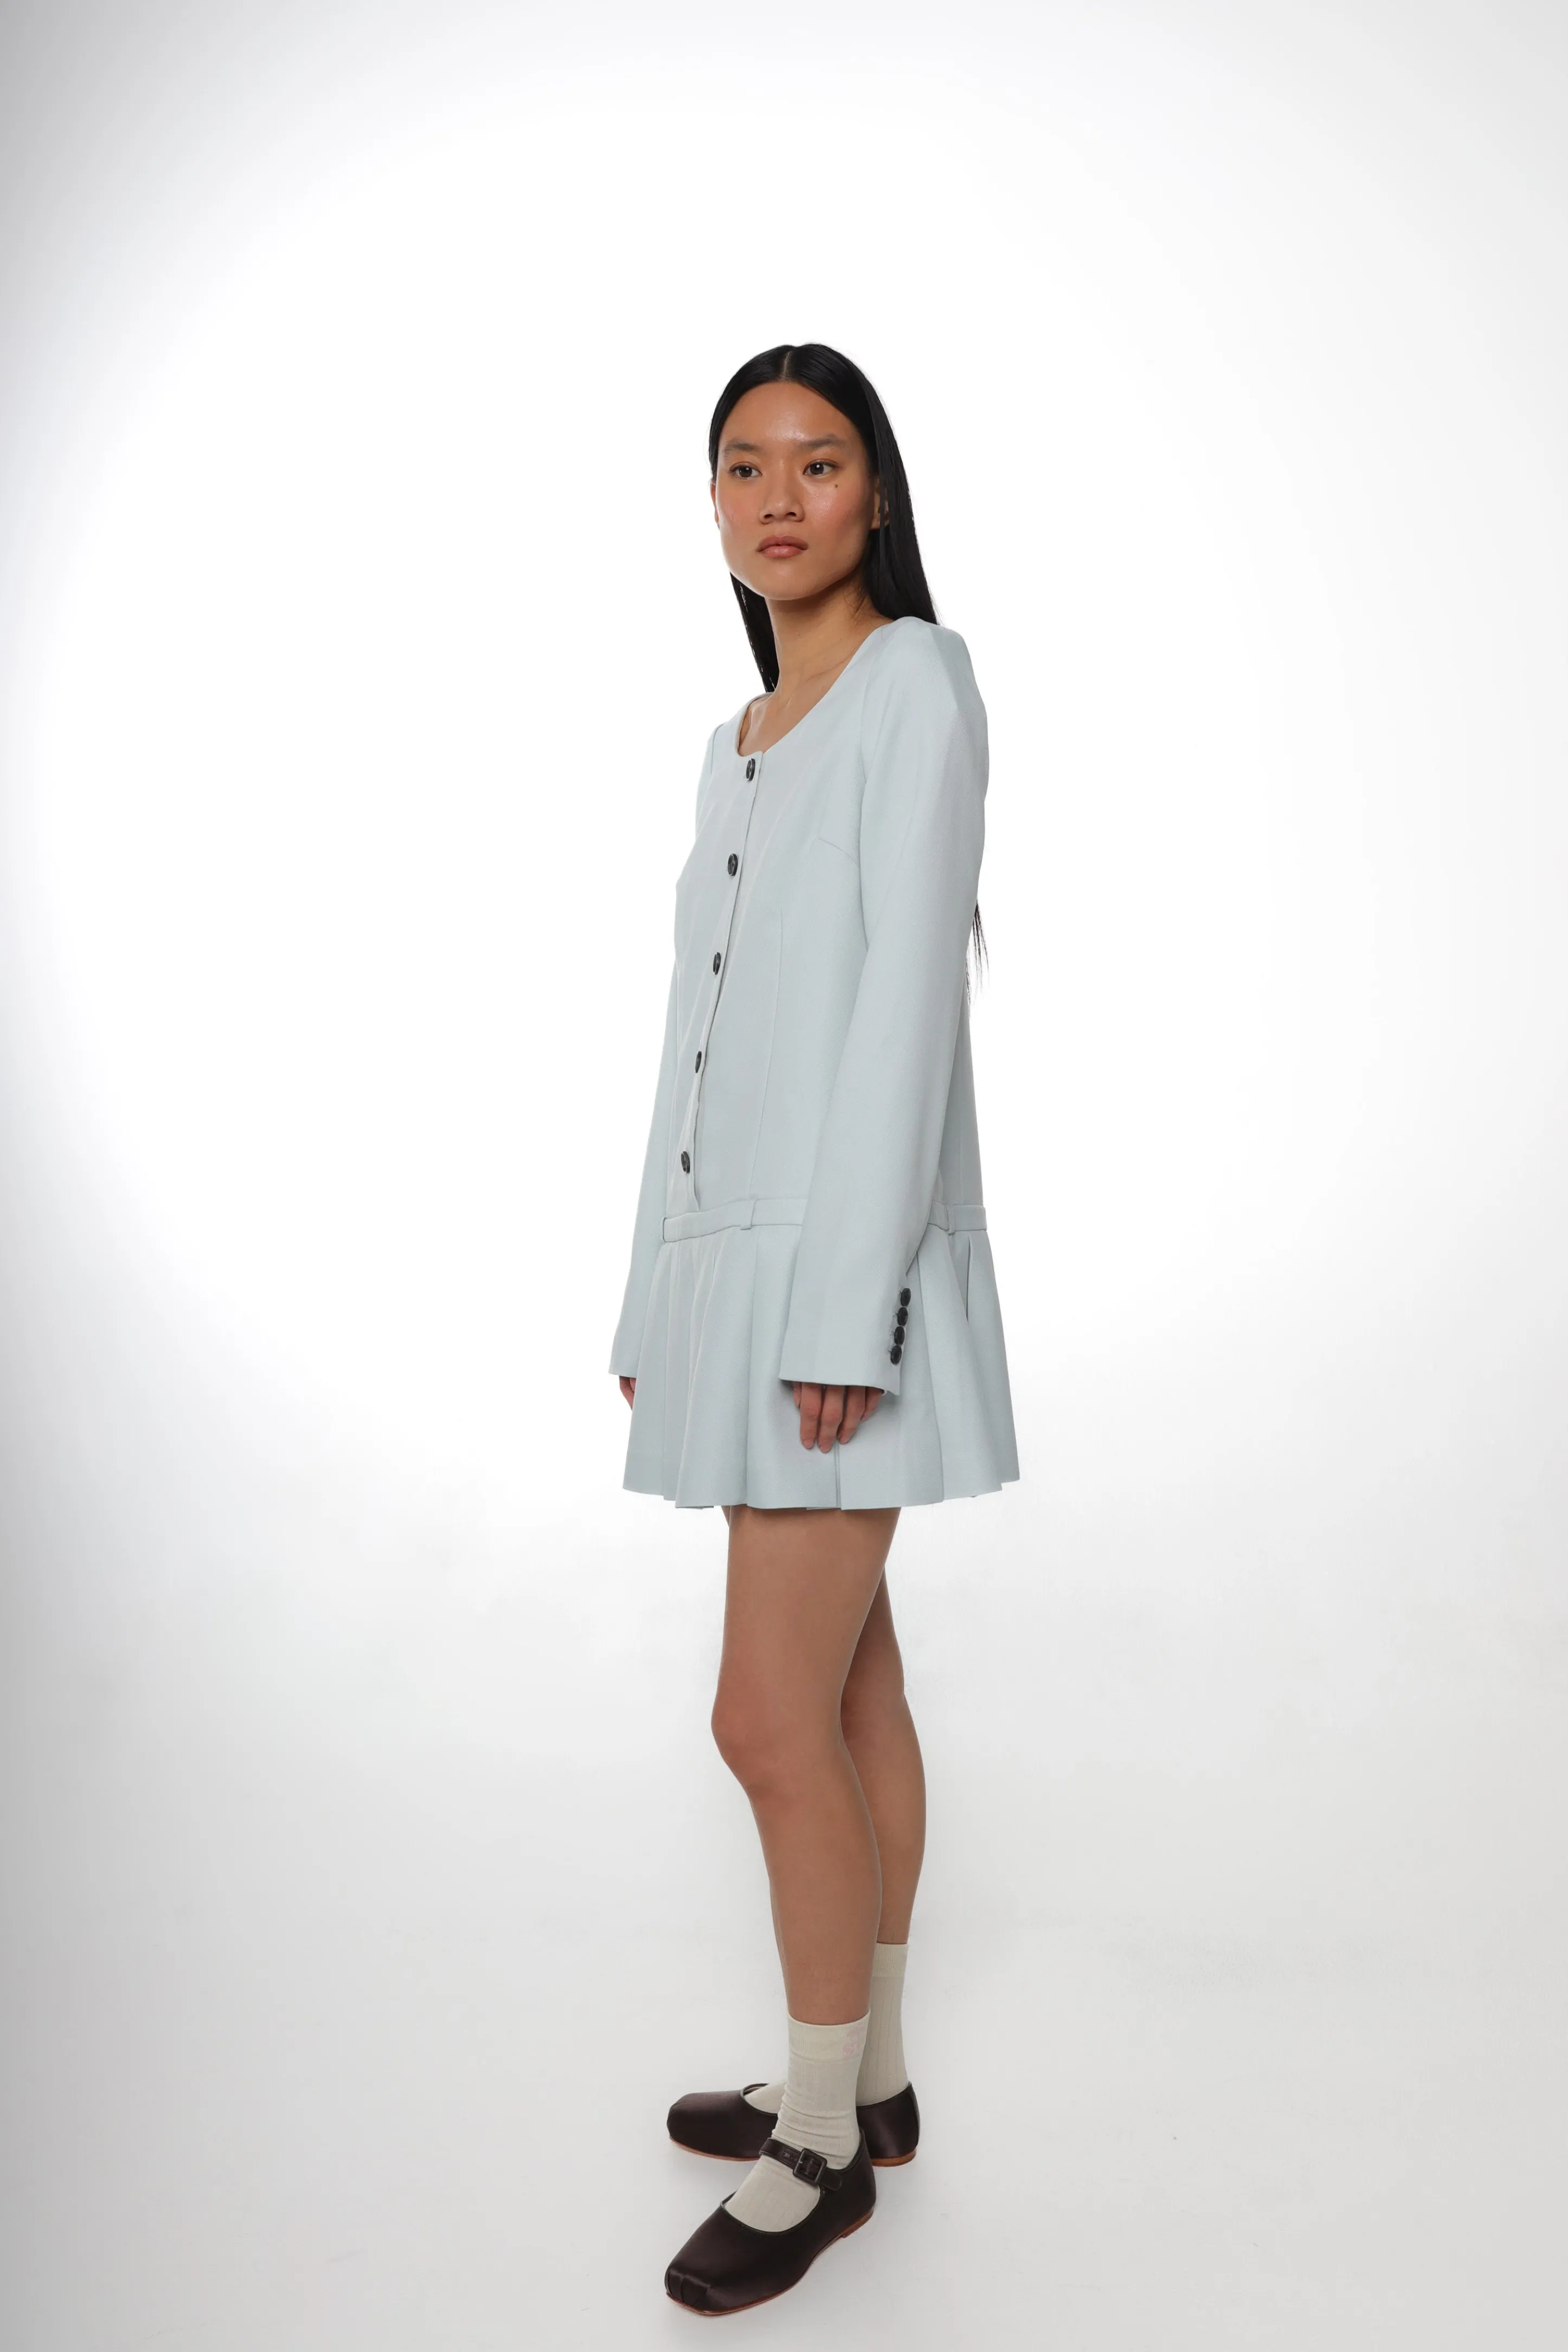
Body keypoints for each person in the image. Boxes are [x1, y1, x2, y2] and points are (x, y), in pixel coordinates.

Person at [608, 342, 1019, 2316]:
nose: (779, 499)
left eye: (820, 462)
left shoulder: (914, 683)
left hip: (834, 1292)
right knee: (848, 1697)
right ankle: (872, 2080)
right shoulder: (742, 737)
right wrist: (653, 1286)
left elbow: (904, 1013)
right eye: (744, 467)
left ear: (878, 493)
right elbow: (693, 1040)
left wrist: (848, 1308)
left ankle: (820, 2151)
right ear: (711, 504)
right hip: (737, 1274)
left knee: (761, 1721)